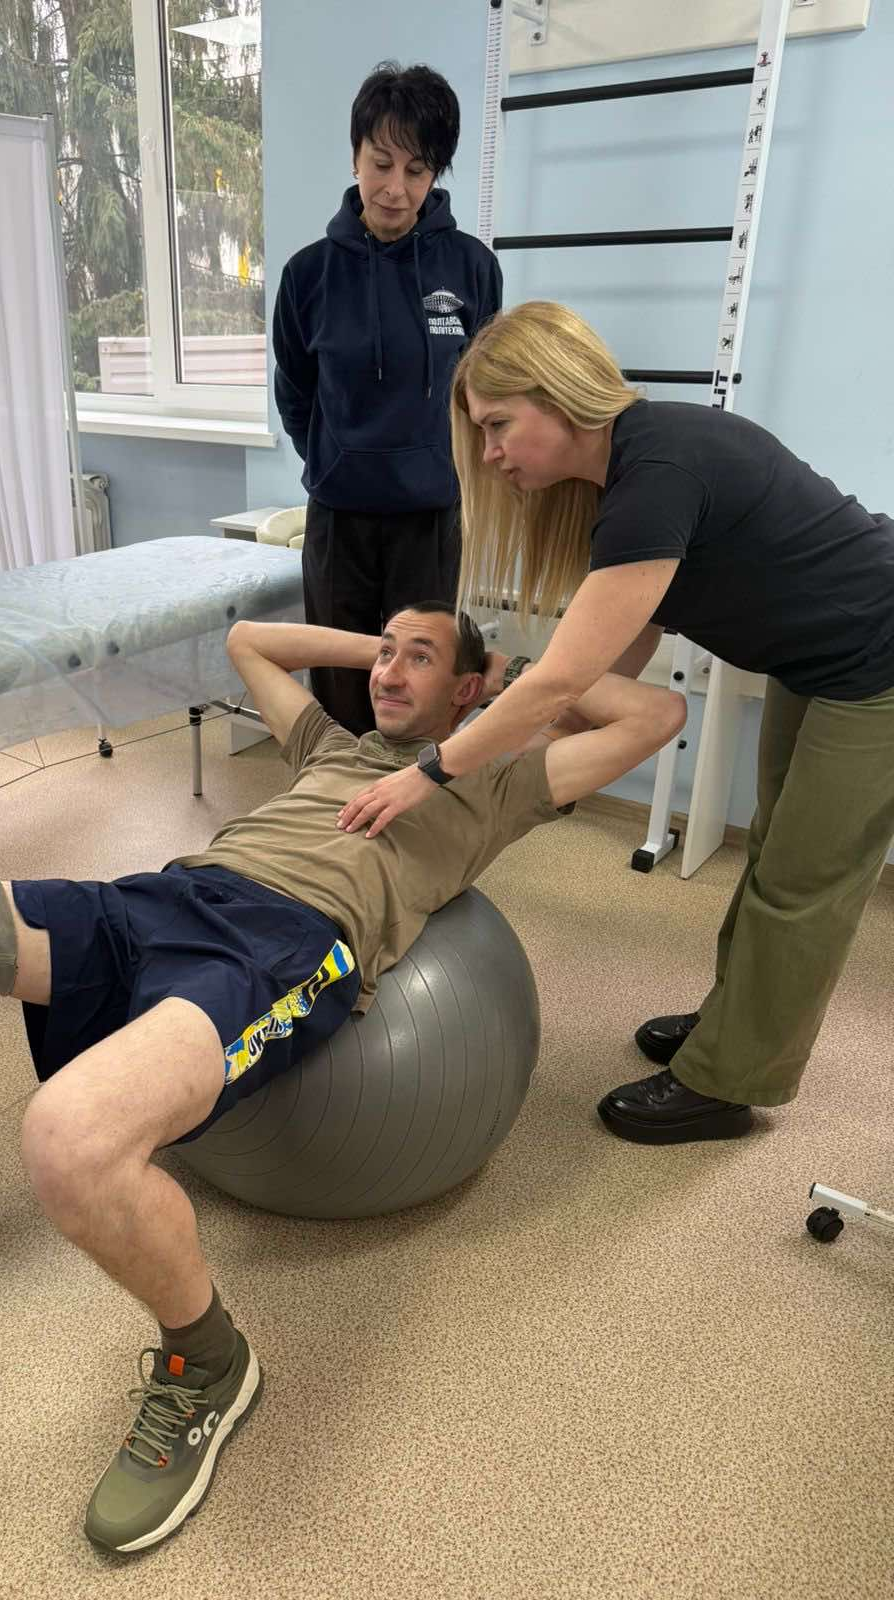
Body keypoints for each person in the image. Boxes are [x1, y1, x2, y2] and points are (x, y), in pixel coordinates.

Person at [0, 604, 683, 1552]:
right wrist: (392, 655)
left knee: (70, 1143)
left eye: (420, 660)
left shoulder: (503, 781)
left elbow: (656, 714)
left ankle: (208, 1364)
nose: (388, 674)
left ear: (470, 688)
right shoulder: (330, 744)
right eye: (384, 655)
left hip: (279, 949)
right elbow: (249, 641)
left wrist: (513, 681)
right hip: (162, 897)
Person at [337, 300, 894, 1147]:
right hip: (820, 659)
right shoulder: (628, 479)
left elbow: (560, 676)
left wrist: (431, 773)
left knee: (803, 883)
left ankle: (727, 1083)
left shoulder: (660, 468)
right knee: (775, 852)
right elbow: (617, 655)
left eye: (497, 425)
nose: (488, 454)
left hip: (880, 658)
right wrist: (533, 762)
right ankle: (734, 1023)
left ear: (558, 396)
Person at [273, 61, 502, 734]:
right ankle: (339, 798)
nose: (395, 188)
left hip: (430, 519)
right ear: (355, 157)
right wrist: (334, 457)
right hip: (339, 519)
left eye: (416, 170)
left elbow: (485, 394)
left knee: (424, 691)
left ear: (436, 175)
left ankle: (415, 799)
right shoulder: (307, 275)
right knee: (341, 686)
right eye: (380, 164)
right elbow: (296, 393)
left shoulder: (472, 268)